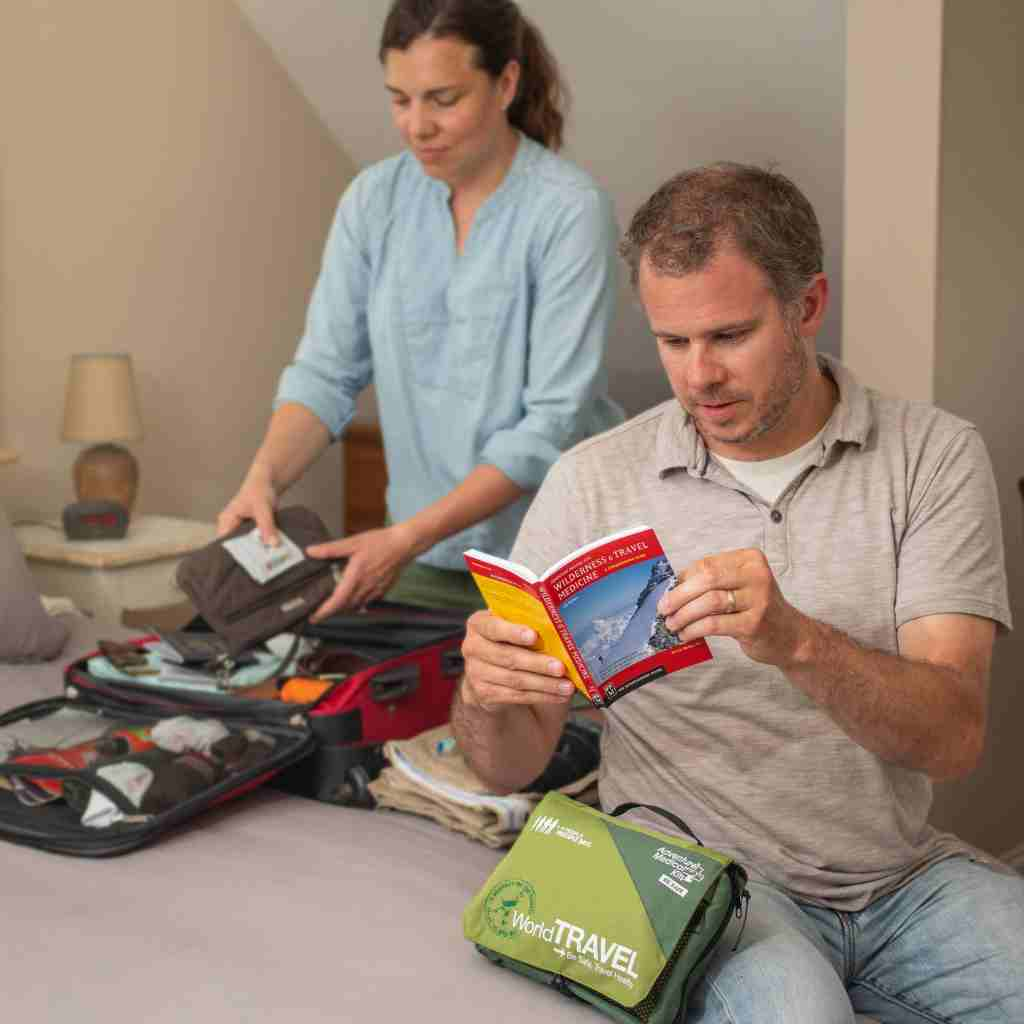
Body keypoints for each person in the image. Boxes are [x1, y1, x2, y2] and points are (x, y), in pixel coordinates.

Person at [454, 163, 1024, 1022]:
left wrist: (798, 641)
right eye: (672, 343)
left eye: (728, 335)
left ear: (807, 306)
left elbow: (952, 739)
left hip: (900, 878)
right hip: (700, 878)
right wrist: (487, 694)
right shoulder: (591, 481)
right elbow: (510, 764)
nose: (698, 377)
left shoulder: (932, 457)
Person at [218, 0, 623, 617]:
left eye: (443, 99)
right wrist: (264, 477)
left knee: (554, 714)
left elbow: (548, 427)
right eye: (400, 99)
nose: (416, 126)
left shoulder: (568, 210)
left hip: (552, 554)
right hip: (418, 555)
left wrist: (403, 539)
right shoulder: (373, 202)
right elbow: (326, 374)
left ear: (506, 84)